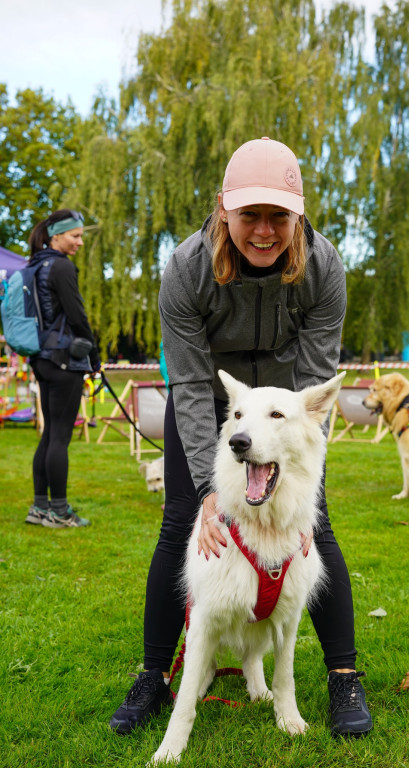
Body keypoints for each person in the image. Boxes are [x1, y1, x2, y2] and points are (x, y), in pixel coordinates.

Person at [110, 138, 373, 738]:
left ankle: (341, 676)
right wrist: (209, 489)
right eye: (248, 215)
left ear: (298, 214)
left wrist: (298, 474)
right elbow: (192, 384)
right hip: (215, 393)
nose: (262, 231)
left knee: (317, 524)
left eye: (278, 216)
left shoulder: (325, 268)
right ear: (223, 208)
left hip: (284, 401)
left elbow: (314, 389)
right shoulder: (184, 269)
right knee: (182, 519)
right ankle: (155, 676)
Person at [25, 209, 101, 528]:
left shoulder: (35, 265)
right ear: (56, 235)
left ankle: (39, 507)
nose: (80, 242)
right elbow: (76, 313)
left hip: (41, 358)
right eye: (75, 235)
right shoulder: (61, 266)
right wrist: (94, 353)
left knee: (49, 435)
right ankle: (58, 511)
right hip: (64, 360)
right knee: (60, 437)